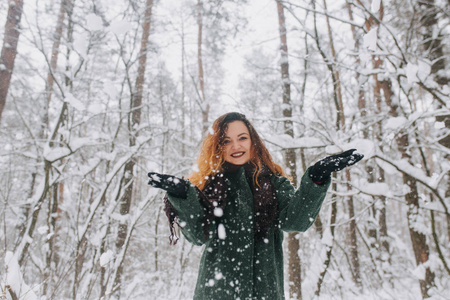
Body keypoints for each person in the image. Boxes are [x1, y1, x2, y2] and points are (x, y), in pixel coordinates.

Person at [148, 112, 363, 300]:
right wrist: (183, 196)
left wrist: (316, 178)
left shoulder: (274, 182)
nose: (236, 146)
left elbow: (295, 221)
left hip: (266, 292)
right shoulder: (210, 186)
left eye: (242, 138)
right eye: (226, 141)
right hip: (216, 294)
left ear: (253, 142)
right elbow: (197, 236)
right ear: (218, 147)